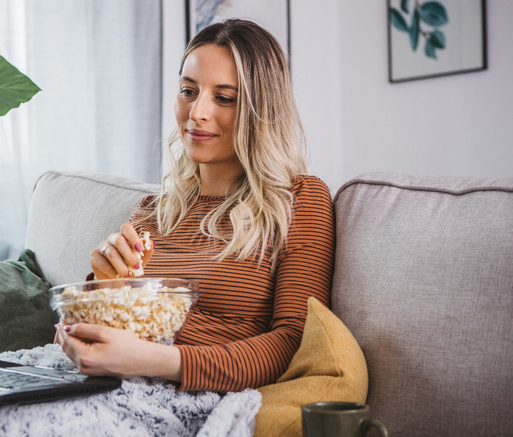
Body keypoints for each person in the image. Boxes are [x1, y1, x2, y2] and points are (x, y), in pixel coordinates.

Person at [56, 19, 335, 393]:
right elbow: (89, 334)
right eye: (189, 91)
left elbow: (292, 344)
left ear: (260, 109)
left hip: (191, 395)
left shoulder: (299, 200)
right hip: (104, 381)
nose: (197, 112)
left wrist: (156, 361)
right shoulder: (152, 211)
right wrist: (104, 286)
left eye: (224, 98)